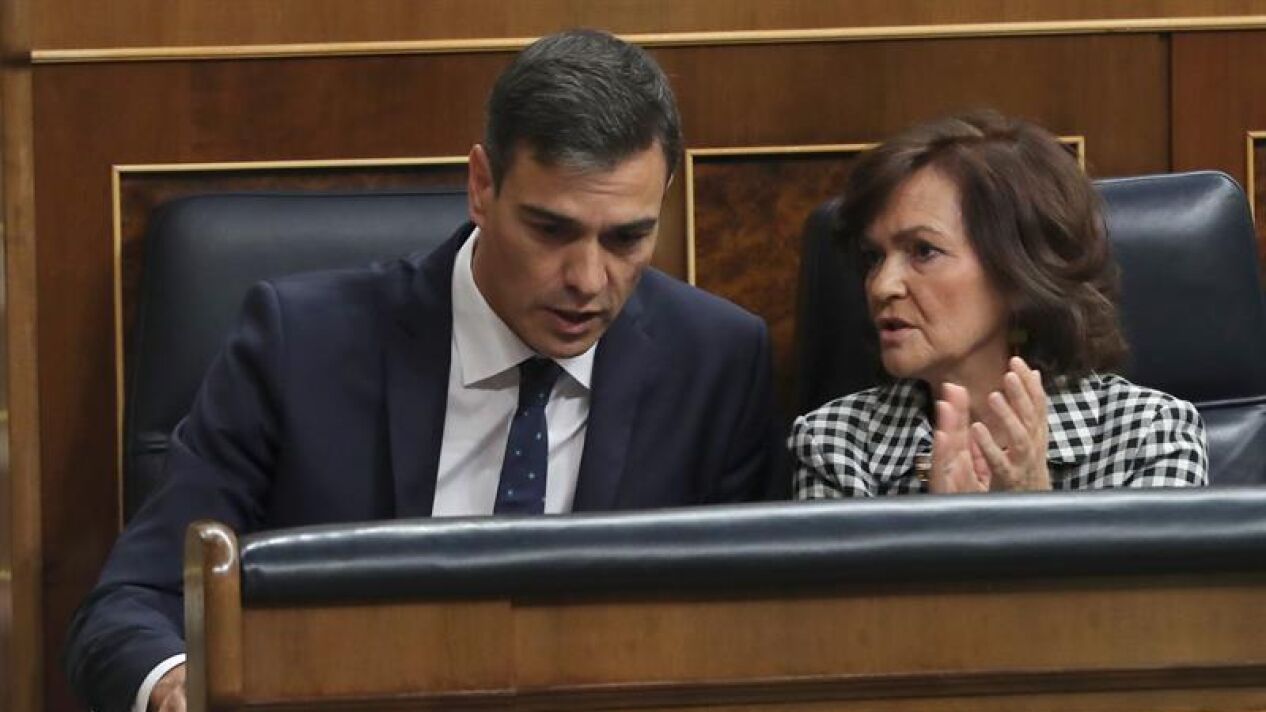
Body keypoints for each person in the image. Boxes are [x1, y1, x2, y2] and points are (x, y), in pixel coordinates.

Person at [67, 29, 777, 712]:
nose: (588, 280)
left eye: (627, 238)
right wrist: (175, 683)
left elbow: (752, 633)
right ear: (481, 186)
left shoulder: (716, 362)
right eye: (551, 230)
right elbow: (135, 603)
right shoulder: (300, 346)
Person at [792, 111, 1208, 499]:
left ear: (1017, 270)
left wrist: (1030, 509)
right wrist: (943, 528)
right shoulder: (834, 443)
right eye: (873, 257)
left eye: (923, 251)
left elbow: (1158, 562)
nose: (883, 286)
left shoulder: (1150, 435)